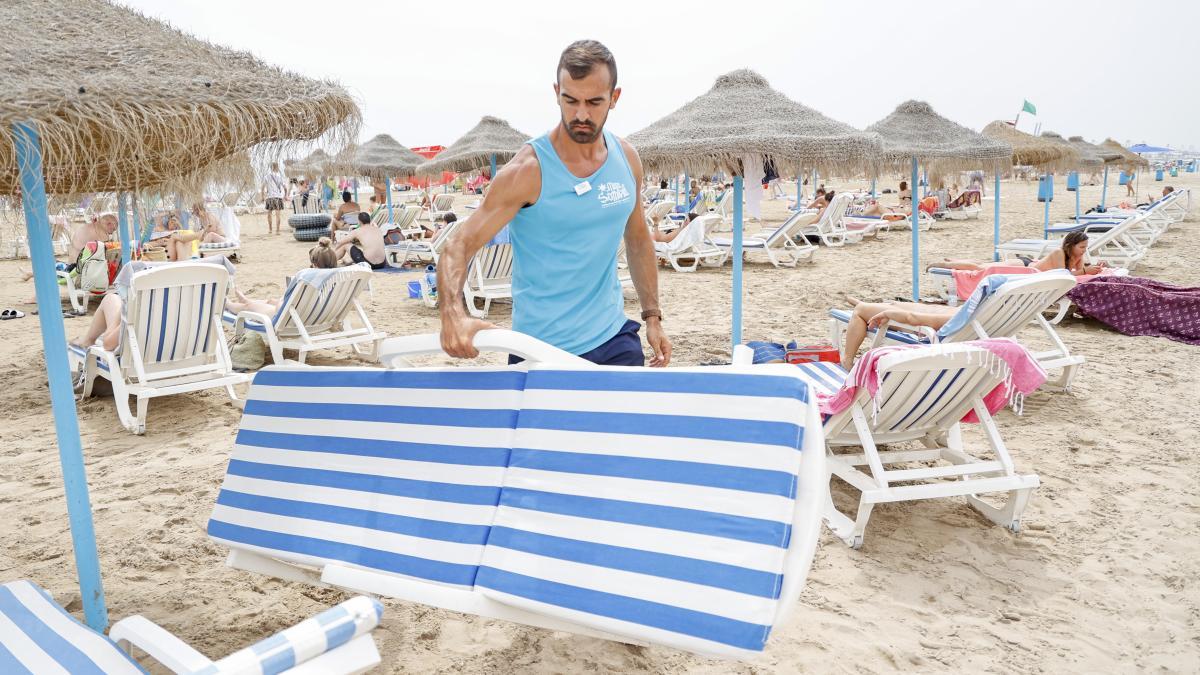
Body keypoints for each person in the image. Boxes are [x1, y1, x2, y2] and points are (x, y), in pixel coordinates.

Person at [436, 40, 670, 366]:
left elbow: (638, 237)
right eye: (570, 100)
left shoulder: (627, 159)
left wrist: (652, 317)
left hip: (615, 337)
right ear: (556, 91)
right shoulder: (528, 170)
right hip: (540, 349)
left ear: (614, 98)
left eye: (594, 102)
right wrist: (452, 313)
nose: (581, 114)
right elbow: (458, 245)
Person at [223, 238, 339, 317]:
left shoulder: (307, 278)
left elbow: (287, 302)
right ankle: (245, 300)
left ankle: (228, 304)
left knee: (249, 307)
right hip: (315, 315)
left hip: (291, 317)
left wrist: (281, 302)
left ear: (314, 264)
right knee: (270, 301)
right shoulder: (338, 279)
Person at [837, 297, 961, 370]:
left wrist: (890, 314)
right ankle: (883, 305)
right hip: (949, 316)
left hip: (924, 328)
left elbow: (913, 319)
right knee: (897, 305)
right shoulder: (978, 312)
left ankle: (847, 362)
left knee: (860, 310)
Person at [936, 231, 1106, 276]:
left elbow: (1079, 272)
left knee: (984, 265)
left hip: (1031, 265)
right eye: (1082, 247)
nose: (1084, 250)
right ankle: (948, 265)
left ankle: (956, 261)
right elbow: (1066, 274)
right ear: (1070, 245)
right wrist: (1085, 271)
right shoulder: (1059, 253)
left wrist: (1095, 268)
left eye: (1085, 247)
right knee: (981, 268)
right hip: (1024, 267)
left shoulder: (1077, 256)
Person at [262, 162, 287, 234]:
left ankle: (270, 229)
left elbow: (262, 187)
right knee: (278, 214)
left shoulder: (266, 176)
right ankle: (277, 231)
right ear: (277, 167)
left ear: (271, 167)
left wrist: (262, 196)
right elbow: (285, 188)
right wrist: (285, 195)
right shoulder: (280, 177)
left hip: (269, 197)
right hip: (277, 197)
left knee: (269, 214)